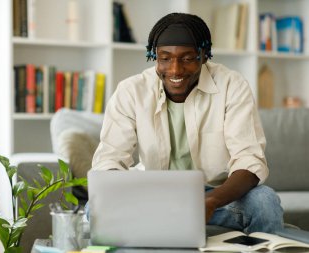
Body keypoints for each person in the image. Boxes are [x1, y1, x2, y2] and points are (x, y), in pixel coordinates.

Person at [90, 13, 284, 234]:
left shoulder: (232, 85)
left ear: (203, 55)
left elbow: (249, 161)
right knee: (95, 207)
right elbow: (108, 162)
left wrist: (210, 201)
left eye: (187, 58)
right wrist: (128, 197)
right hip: (151, 193)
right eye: (165, 58)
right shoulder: (131, 91)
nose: (175, 70)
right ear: (154, 57)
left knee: (265, 202)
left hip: (216, 193)